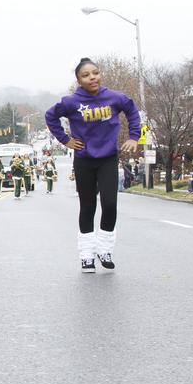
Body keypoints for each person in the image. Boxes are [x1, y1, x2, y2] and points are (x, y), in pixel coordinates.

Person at [45, 57, 141, 273]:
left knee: (109, 204)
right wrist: (65, 140)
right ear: (79, 80)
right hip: (84, 159)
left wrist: (134, 137)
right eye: (86, 75)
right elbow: (50, 116)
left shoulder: (115, 97)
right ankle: (86, 255)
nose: (92, 77)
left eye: (95, 73)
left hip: (108, 158)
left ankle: (105, 249)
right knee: (88, 206)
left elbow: (132, 112)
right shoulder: (71, 102)